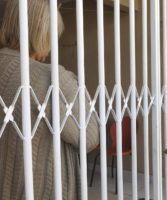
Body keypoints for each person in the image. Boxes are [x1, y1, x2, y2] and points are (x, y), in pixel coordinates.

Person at [0, 0, 99, 199]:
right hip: (42, 188)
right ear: (42, 32)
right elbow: (88, 137)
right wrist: (47, 101)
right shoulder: (53, 78)